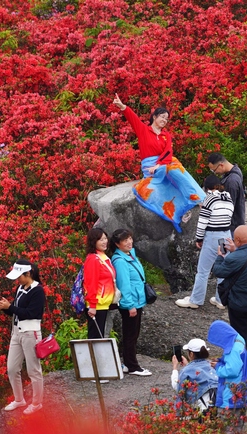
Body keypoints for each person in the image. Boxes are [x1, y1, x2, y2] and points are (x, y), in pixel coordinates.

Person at [112, 94, 204, 232]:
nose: (164, 120)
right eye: (162, 117)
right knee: (156, 189)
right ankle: (178, 211)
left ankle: (196, 197)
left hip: (164, 164)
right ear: (154, 117)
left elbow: (168, 152)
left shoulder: (166, 136)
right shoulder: (143, 130)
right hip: (150, 167)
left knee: (176, 169)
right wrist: (122, 106)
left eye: (166, 119)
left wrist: (160, 165)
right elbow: (132, 118)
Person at [212, 225, 247, 377]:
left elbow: (218, 271)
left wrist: (220, 256)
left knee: (241, 338)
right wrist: (235, 250)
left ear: (236, 240)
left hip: (239, 305)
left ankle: (246, 371)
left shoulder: (233, 258)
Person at [175, 174, 234, 310]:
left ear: (206, 188)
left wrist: (199, 238)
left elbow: (202, 222)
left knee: (203, 271)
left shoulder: (209, 199)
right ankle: (221, 300)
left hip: (213, 237)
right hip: (225, 236)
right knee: (223, 268)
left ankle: (195, 300)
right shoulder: (228, 197)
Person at [0, 259, 46, 415]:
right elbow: (16, 311)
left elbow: (32, 313)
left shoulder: (38, 290)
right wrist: (5, 307)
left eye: (20, 276)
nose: (18, 280)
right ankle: (19, 399)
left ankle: (37, 403)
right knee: (12, 368)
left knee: (33, 370)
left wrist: (10, 307)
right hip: (17, 332)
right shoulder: (20, 288)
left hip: (30, 333)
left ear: (28, 273)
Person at [110, 228, 151, 376]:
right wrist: (130, 305)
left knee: (132, 334)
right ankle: (133, 366)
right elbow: (124, 285)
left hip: (136, 301)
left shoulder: (130, 255)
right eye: (125, 240)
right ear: (117, 244)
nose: (129, 242)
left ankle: (128, 363)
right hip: (131, 303)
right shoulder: (120, 261)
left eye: (130, 238)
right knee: (130, 335)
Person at [207, 320, 247, 426]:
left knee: (228, 427)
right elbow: (237, 362)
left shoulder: (233, 349)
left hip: (231, 396)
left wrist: (217, 366)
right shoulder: (238, 340)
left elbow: (231, 370)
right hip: (241, 391)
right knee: (238, 426)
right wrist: (221, 360)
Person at [83, 227, 117, 339]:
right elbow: (91, 283)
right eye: (101, 239)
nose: (104, 241)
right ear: (94, 241)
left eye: (105, 238)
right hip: (97, 304)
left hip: (104, 303)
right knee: (95, 338)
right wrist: (92, 305)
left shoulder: (103, 257)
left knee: (100, 336)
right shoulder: (93, 259)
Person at [170, 338, 218, 413]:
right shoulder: (212, 365)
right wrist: (188, 365)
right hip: (219, 403)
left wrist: (175, 368)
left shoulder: (186, 371)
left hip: (203, 408)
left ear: (191, 354)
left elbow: (178, 387)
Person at [207, 152, 246, 231]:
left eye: (214, 170)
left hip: (231, 226)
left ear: (221, 165)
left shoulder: (231, 181)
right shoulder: (235, 170)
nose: (215, 173)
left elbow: (228, 208)